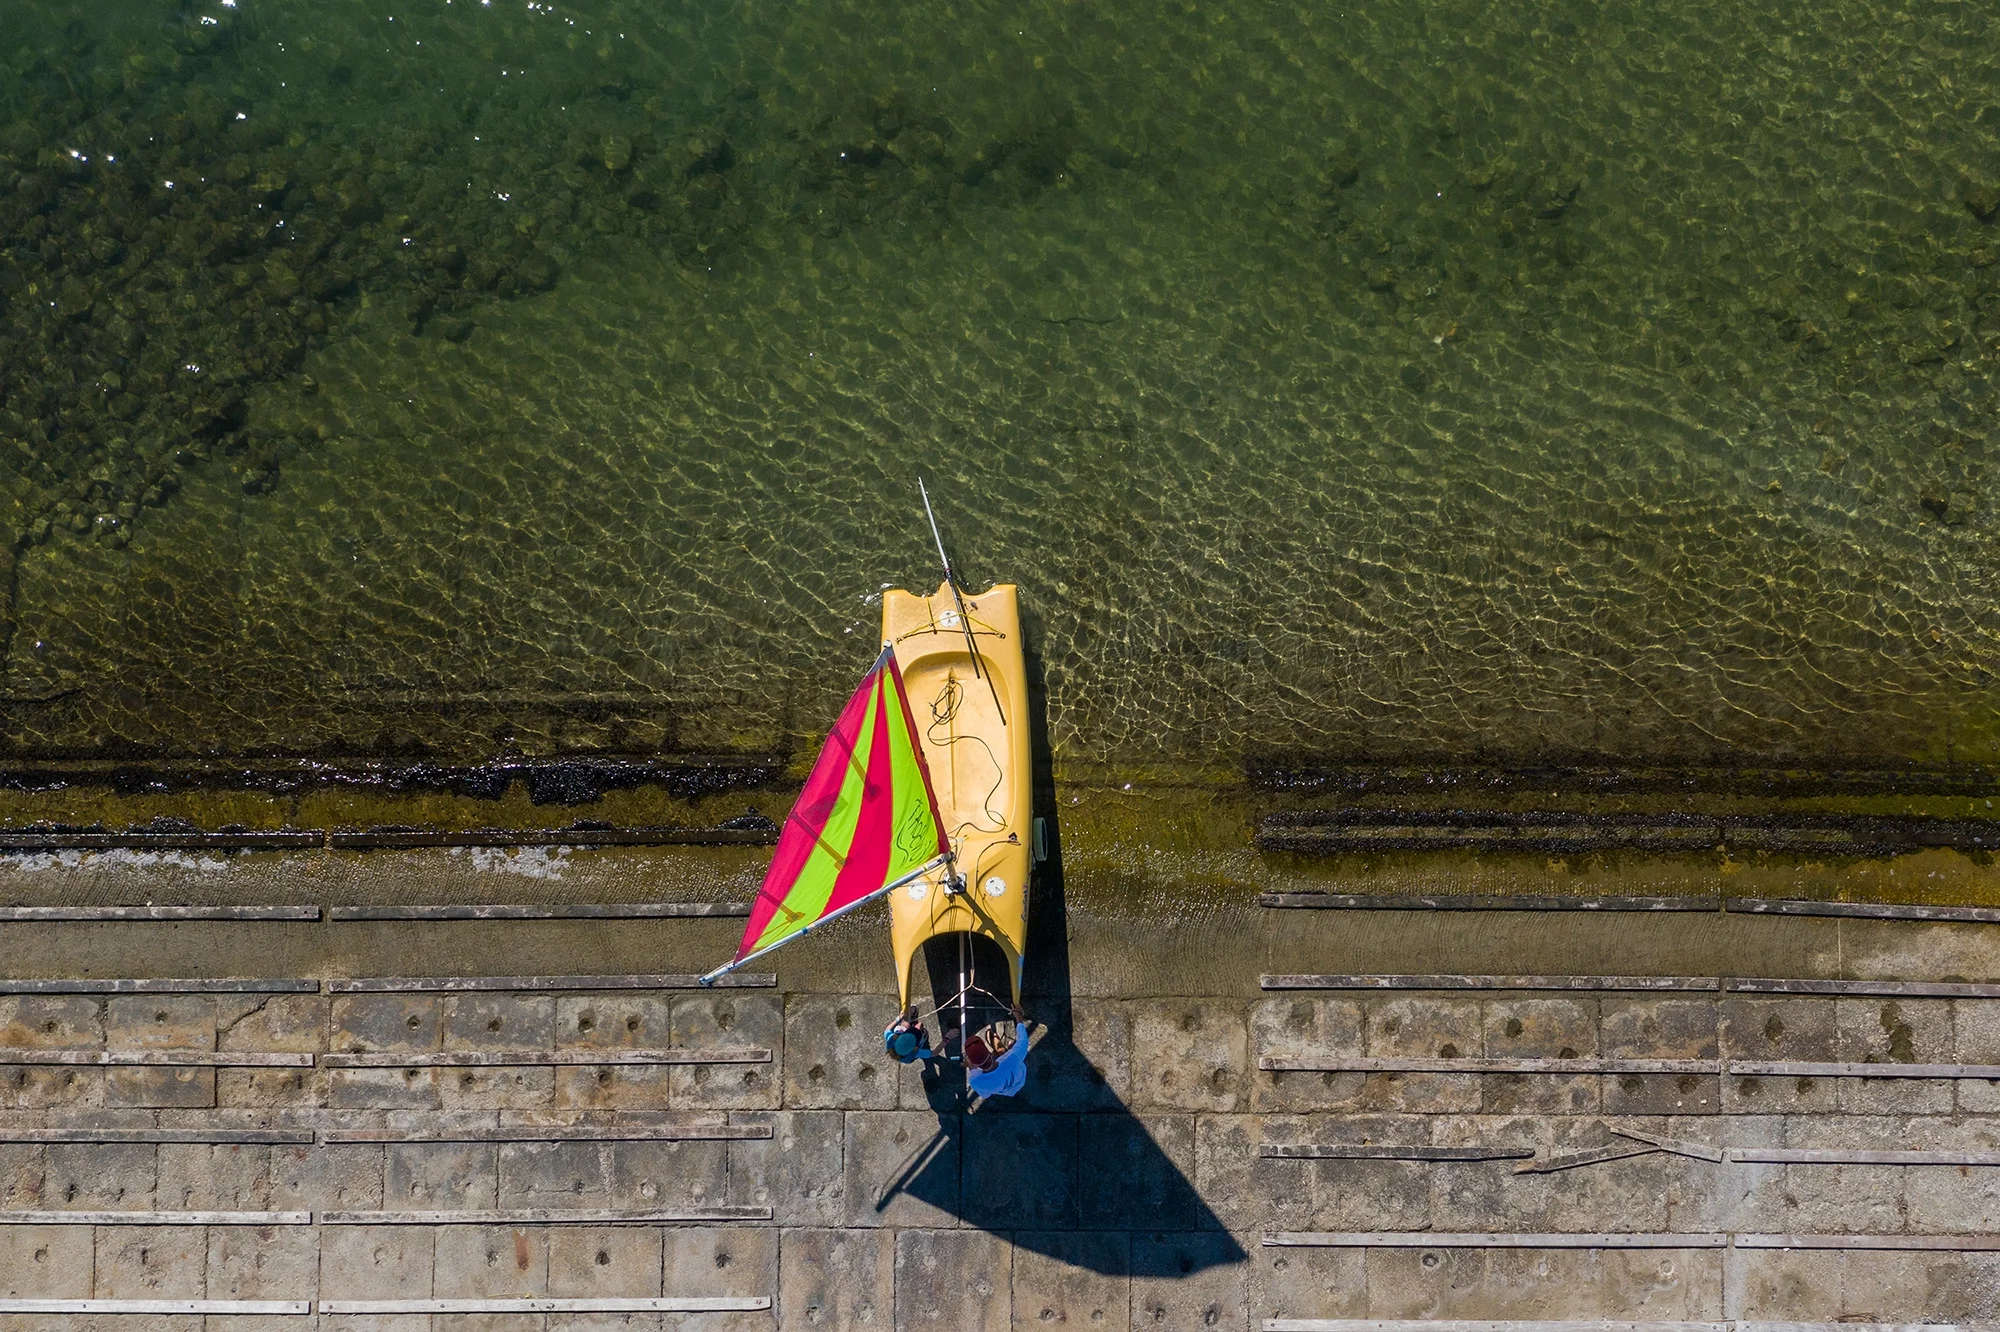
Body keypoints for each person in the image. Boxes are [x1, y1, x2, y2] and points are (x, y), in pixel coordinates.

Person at [965, 1003, 1033, 1098]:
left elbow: (986, 1095)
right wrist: (1018, 1016)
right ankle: (1000, 1050)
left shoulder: (975, 1082)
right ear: (989, 1054)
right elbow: (1023, 1040)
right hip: (1020, 1079)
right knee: (1011, 1050)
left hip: (1008, 1092)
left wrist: (970, 1067)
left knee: (1008, 1052)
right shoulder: (1012, 1058)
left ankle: (1000, 1050)